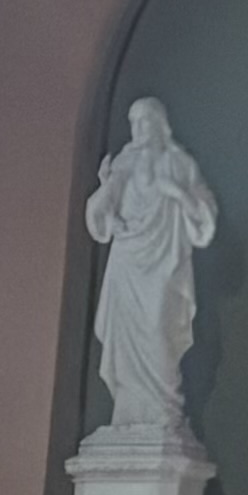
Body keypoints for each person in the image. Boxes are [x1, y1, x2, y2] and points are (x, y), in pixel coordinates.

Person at [82, 96, 216, 448]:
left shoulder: (179, 164)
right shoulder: (123, 164)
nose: (138, 128)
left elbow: (204, 216)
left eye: (145, 121)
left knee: (158, 328)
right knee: (122, 341)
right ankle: (127, 415)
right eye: (134, 121)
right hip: (126, 262)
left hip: (162, 266)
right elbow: (100, 212)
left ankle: (164, 412)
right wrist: (106, 196)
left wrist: (178, 194)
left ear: (160, 125)